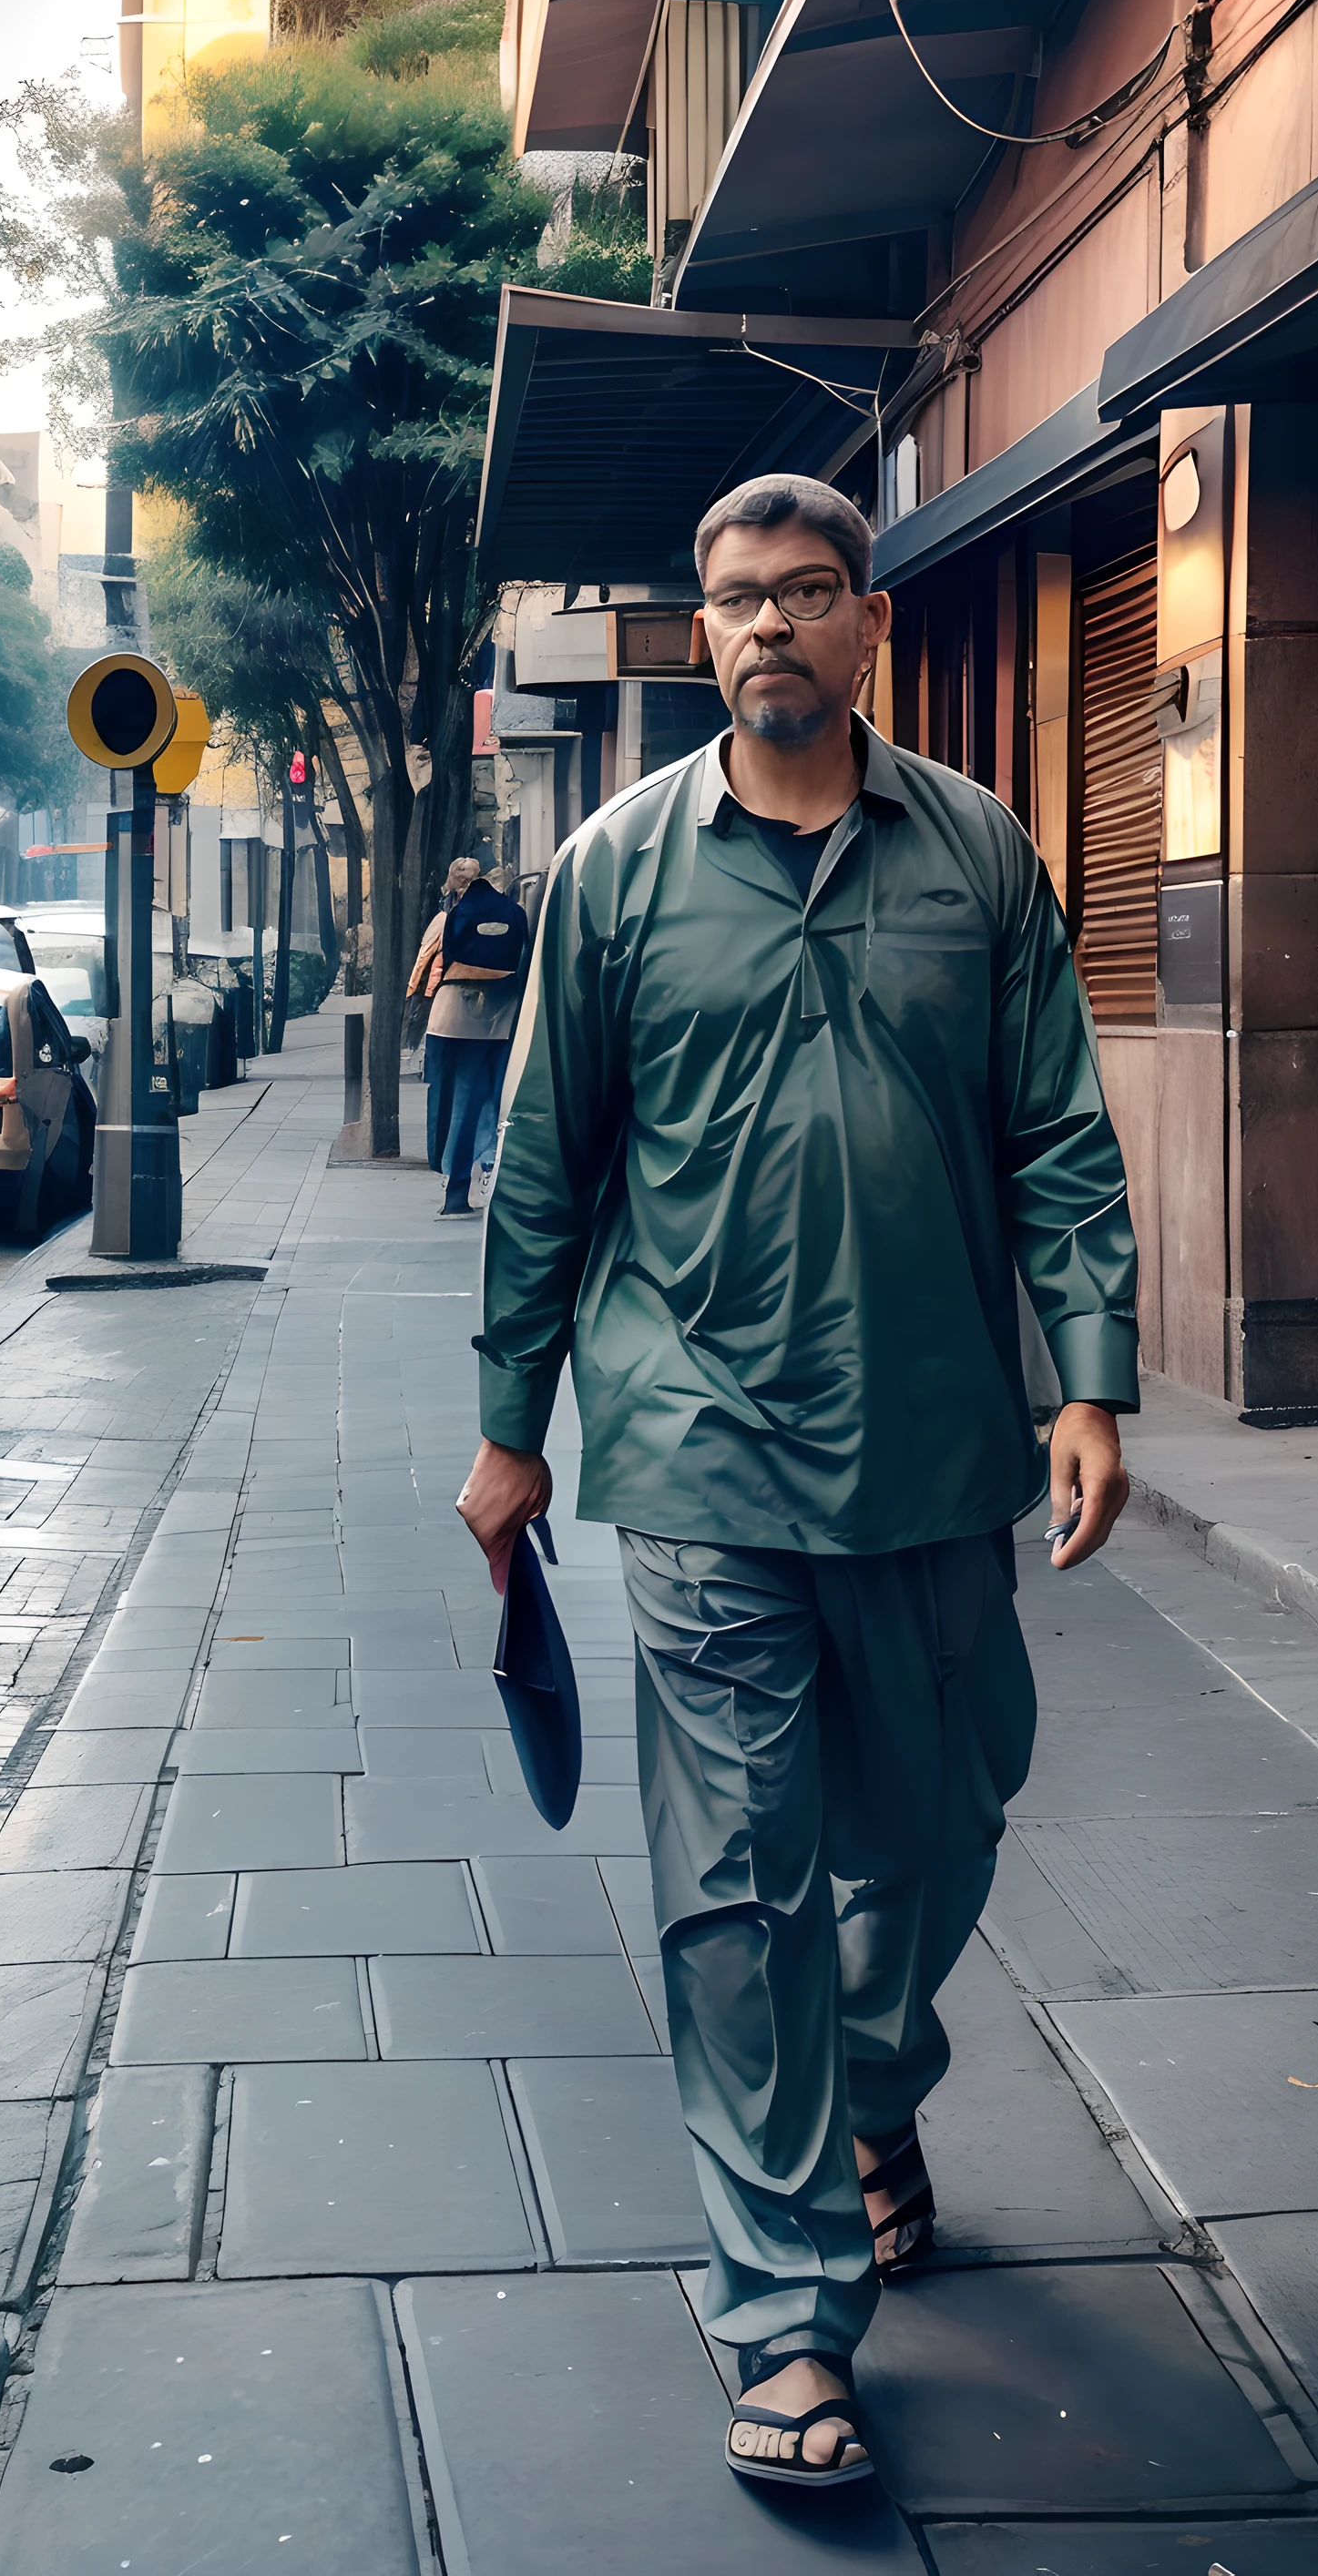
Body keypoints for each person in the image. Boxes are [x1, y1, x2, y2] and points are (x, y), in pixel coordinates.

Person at [456, 473, 1136, 2492]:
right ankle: (786, 2319)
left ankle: (865, 2090)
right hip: (694, 1447)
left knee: (941, 1826)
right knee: (737, 1886)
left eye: (806, 595)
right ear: (701, 628)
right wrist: (512, 1430)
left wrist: (1086, 1380)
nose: (767, 627)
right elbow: (543, 1168)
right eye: (736, 599)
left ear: (867, 625)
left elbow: (1057, 1138)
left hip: (936, 1444)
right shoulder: (613, 871)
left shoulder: (984, 857)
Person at [427, 869, 529, 1218]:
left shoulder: (457, 914)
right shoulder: (515, 913)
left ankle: (455, 1188)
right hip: (507, 1016)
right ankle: (491, 1176)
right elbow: (526, 961)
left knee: (461, 1102)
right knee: (500, 1100)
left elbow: (448, 956)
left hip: (460, 1018)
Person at [408, 858, 482, 1176]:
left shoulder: (444, 918)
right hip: (486, 1014)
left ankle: (439, 1157)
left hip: (444, 1009)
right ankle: (468, 1159)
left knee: (440, 1086)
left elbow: (422, 969)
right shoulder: (492, 914)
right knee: (473, 1088)